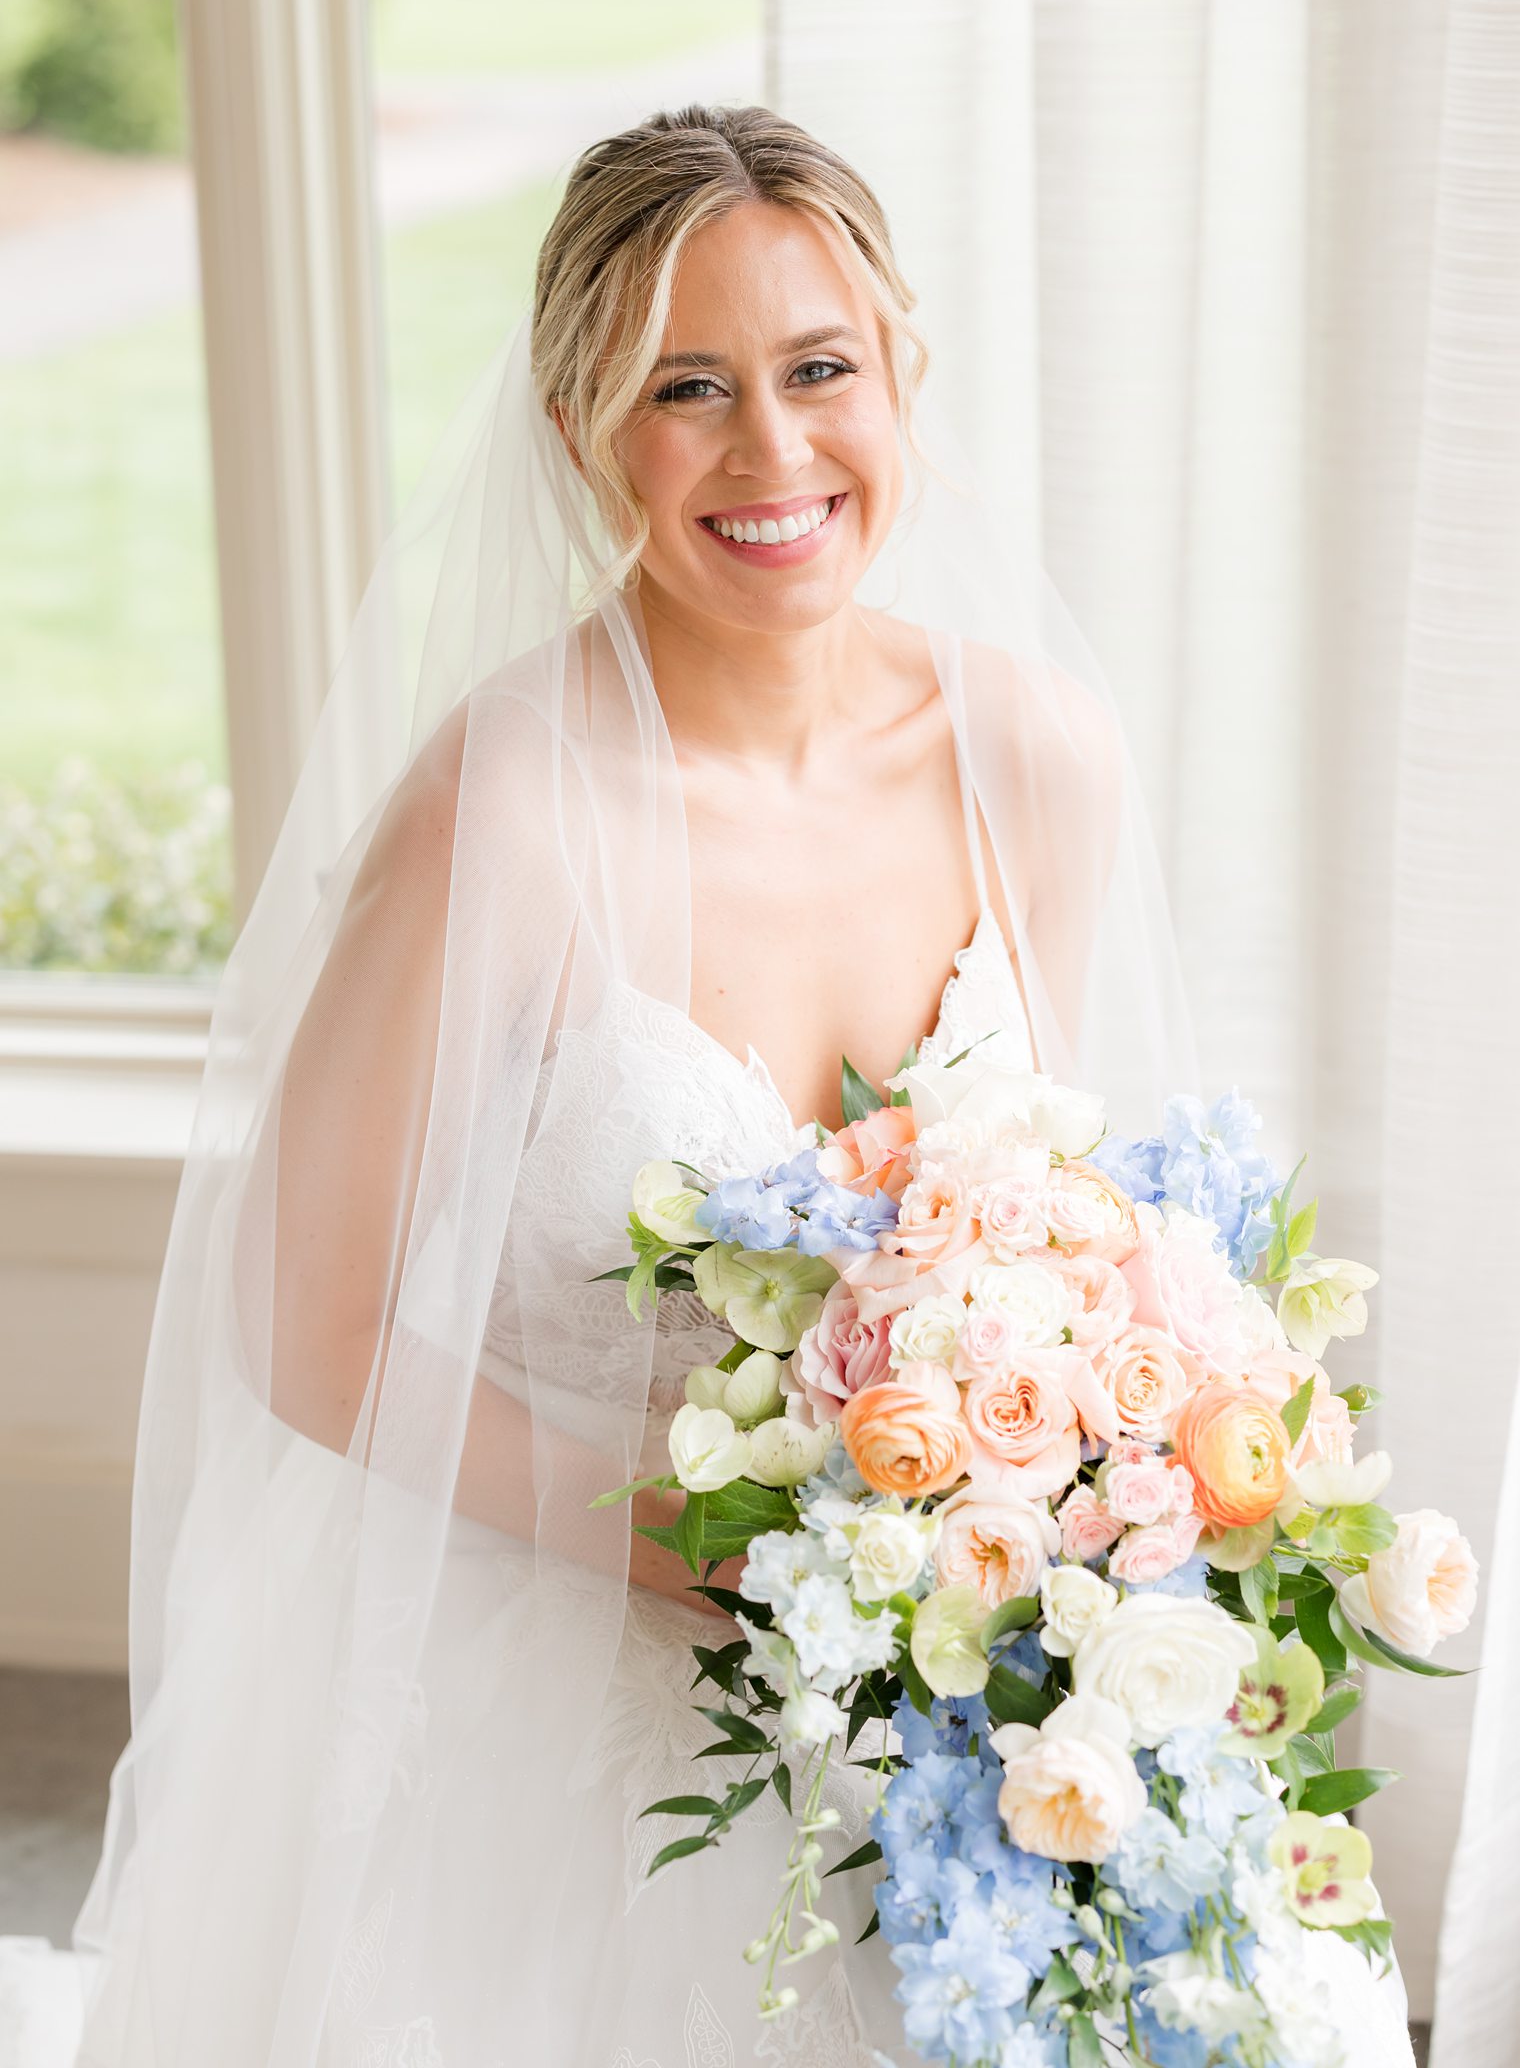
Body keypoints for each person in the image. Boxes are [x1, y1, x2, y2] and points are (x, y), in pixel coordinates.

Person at [0, 105, 1415, 2067]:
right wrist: (702, 1552)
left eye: (818, 369)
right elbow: (300, 1323)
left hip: (947, 1681)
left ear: (896, 374)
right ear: (586, 429)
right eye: (689, 388)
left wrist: (1063, 1504)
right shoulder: (500, 815)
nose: (772, 453)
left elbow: (1065, 1226)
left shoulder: (1036, 758)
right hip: (573, 1693)